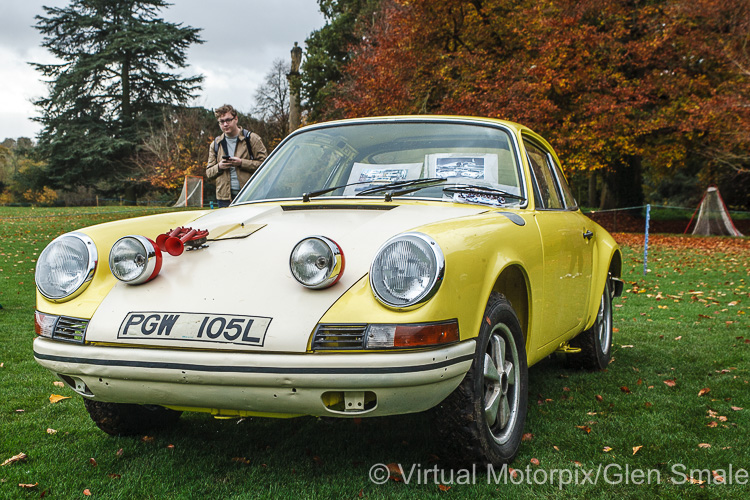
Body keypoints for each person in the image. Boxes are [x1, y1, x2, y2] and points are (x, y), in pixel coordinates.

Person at [206, 104, 267, 207]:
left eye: (228, 120)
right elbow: (208, 173)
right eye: (221, 122)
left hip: (250, 195)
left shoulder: (252, 139)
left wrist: (241, 163)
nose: (225, 124)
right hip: (224, 199)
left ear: (236, 119)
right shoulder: (216, 144)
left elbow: (266, 165)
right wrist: (219, 166)